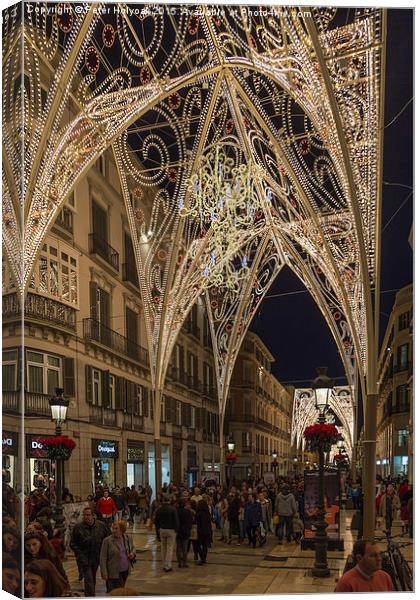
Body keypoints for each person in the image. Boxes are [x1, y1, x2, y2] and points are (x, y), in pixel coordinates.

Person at [70, 506, 109, 597]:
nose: (86, 517)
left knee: (92, 578)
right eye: (84, 515)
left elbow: (107, 539)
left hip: (96, 557)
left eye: (88, 515)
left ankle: (90, 595)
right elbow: (72, 543)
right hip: (84, 558)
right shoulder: (78, 527)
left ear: (93, 516)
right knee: (89, 579)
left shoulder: (101, 526)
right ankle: (90, 597)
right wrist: (79, 554)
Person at [100, 520, 136, 592]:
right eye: (113, 528)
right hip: (113, 572)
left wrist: (132, 554)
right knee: (117, 592)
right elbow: (103, 557)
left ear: (122, 529)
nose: (114, 530)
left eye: (116, 528)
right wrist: (104, 573)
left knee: (120, 590)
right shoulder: (107, 541)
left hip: (125, 570)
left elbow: (133, 548)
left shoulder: (128, 538)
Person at [155, 494, 179, 572]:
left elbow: (156, 522)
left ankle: (164, 564)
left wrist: (157, 531)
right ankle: (168, 565)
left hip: (162, 529)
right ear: (169, 500)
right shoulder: (173, 509)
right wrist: (176, 530)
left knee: (163, 547)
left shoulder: (159, 509)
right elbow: (176, 520)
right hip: (171, 530)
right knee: (169, 548)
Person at [176, 498, 193, 568]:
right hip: (185, 531)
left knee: (178, 548)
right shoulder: (188, 512)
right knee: (184, 548)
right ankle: (185, 563)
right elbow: (191, 522)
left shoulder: (176, 511)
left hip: (178, 531)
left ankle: (179, 562)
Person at [195, 499, 212, 565]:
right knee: (205, 545)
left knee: (198, 545)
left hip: (200, 531)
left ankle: (202, 558)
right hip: (207, 531)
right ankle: (204, 558)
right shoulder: (207, 513)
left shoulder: (198, 513)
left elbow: (196, 522)